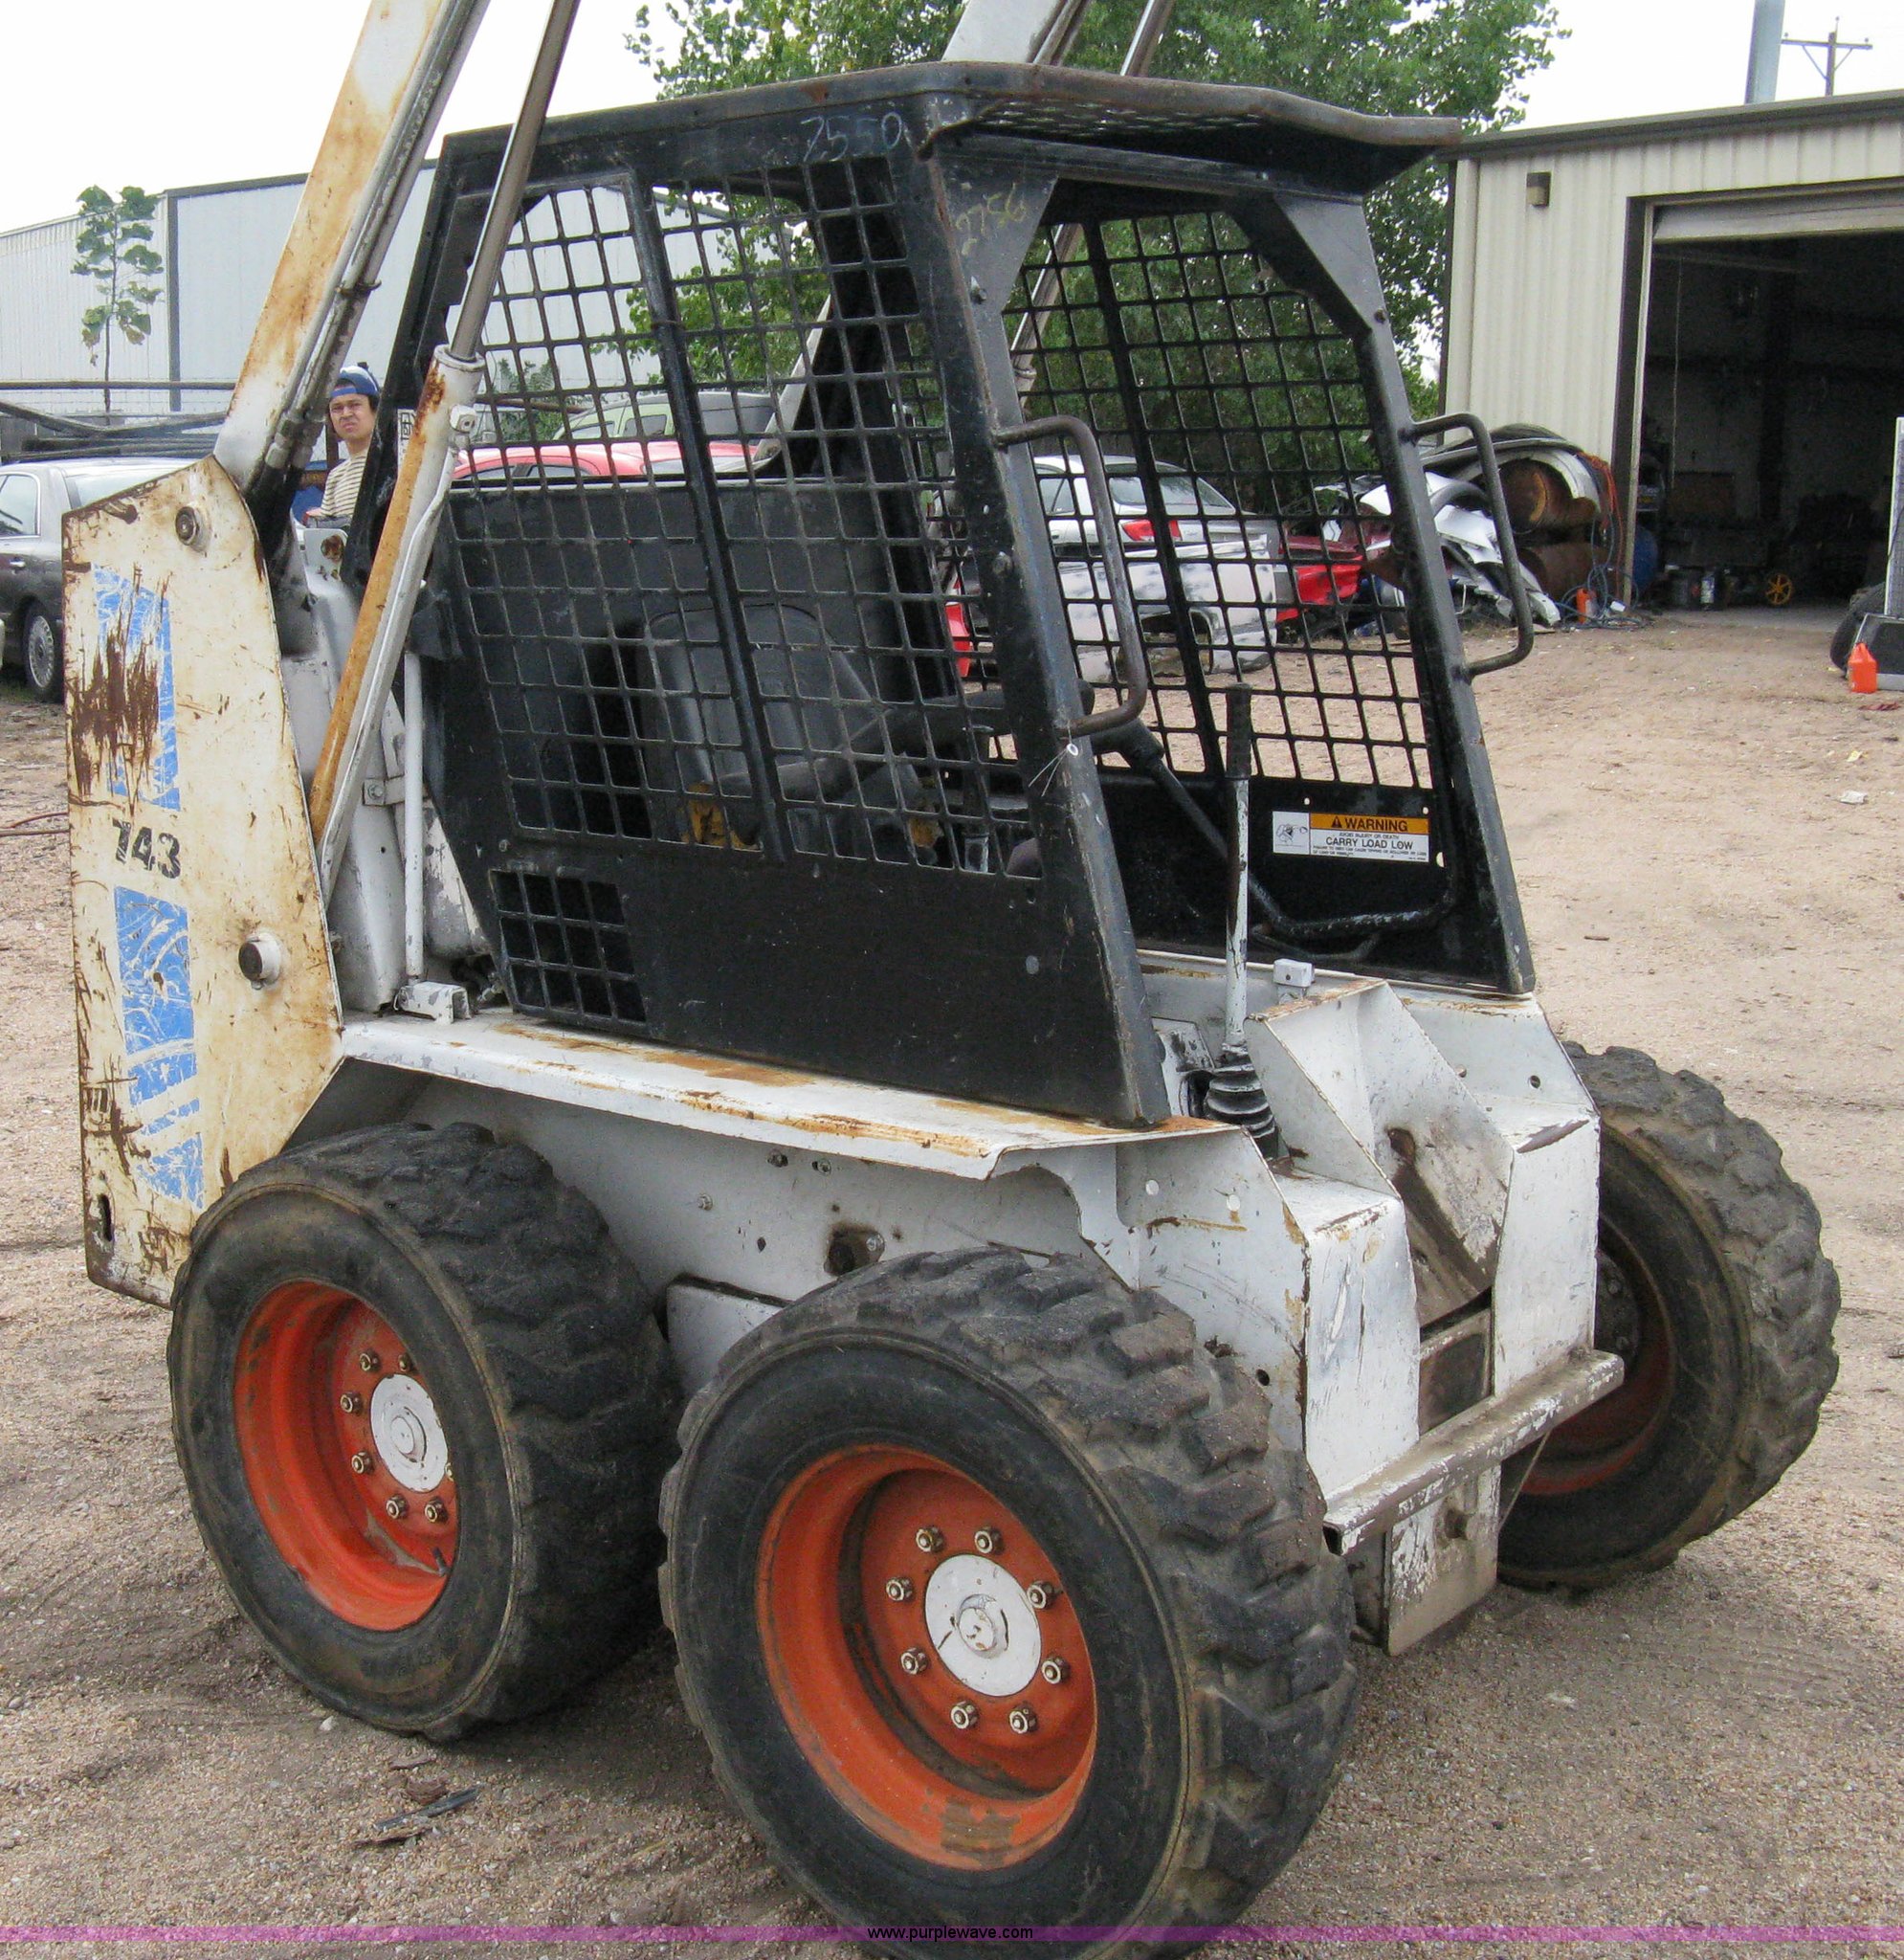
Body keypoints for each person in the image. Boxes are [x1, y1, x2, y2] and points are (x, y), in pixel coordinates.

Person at [310, 366, 380, 526]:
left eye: (355, 405)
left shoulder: (394, 465)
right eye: (337, 408)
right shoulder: (336, 477)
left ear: (376, 410)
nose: (346, 414)